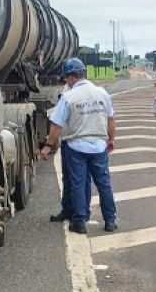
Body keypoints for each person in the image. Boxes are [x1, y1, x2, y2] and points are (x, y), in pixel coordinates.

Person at [41, 58, 118, 234]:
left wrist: (48, 145)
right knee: (104, 183)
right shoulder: (102, 93)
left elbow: (57, 126)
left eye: (66, 79)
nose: (66, 83)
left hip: (76, 146)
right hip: (99, 145)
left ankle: (80, 221)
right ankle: (110, 220)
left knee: (77, 183)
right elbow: (111, 119)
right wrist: (111, 139)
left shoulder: (69, 97)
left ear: (70, 77)